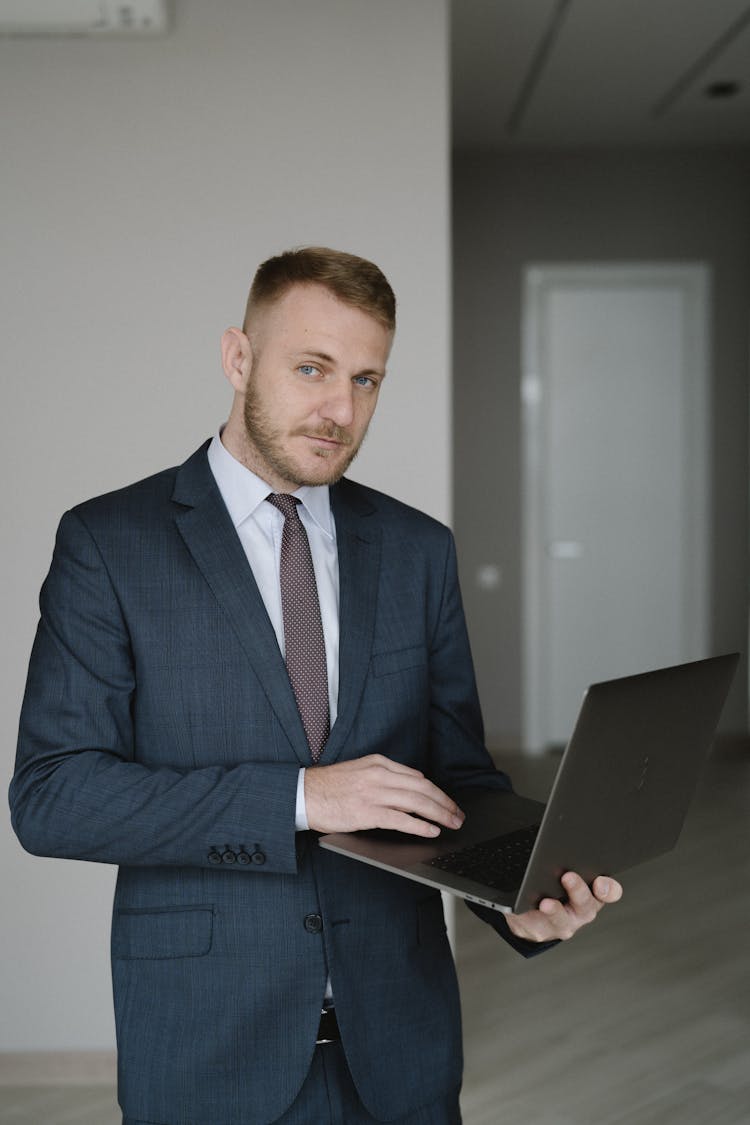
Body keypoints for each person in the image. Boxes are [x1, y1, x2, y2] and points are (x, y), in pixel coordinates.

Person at [10, 247, 622, 1125]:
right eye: (312, 368)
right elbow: (52, 796)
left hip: (401, 1042)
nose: (341, 409)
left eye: (368, 379)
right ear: (237, 357)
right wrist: (299, 798)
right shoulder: (111, 543)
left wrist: (516, 899)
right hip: (208, 1046)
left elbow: (458, 779)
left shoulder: (418, 550)